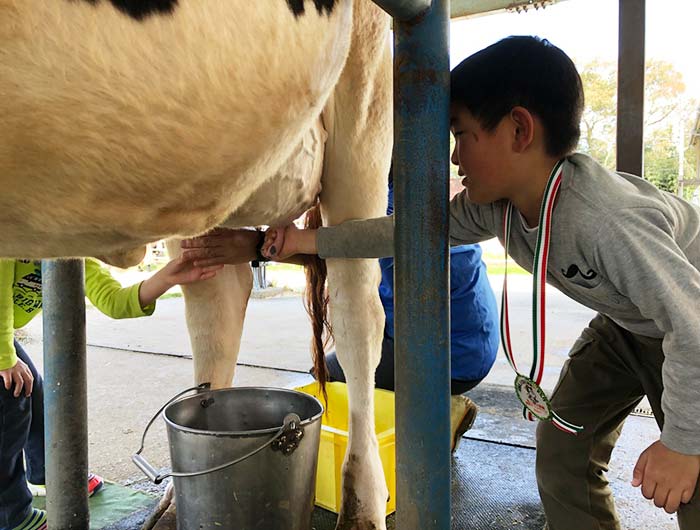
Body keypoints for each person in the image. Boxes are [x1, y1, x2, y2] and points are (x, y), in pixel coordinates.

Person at [251, 36, 700, 530]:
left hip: (689, 330)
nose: (454, 158)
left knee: (690, 483)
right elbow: (408, 232)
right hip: (628, 324)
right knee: (564, 446)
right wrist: (306, 241)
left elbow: (691, 326)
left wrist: (681, 444)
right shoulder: (496, 206)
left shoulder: (605, 221)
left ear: (518, 129)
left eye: (461, 135)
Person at [0, 256, 221, 530]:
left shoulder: (71, 254)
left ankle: (50, 474)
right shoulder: (12, 239)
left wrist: (166, 277)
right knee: (9, 411)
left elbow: (113, 300)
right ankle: (11, 516)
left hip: (3, 337)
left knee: (33, 392)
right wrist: (5, 358)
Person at [321, 174, 500, 453]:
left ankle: (436, 422)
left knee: (330, 372)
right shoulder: (437, 203)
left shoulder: (385, 214)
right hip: (478, 348)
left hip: (449, 361)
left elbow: (381, 311)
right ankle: (437, 407)